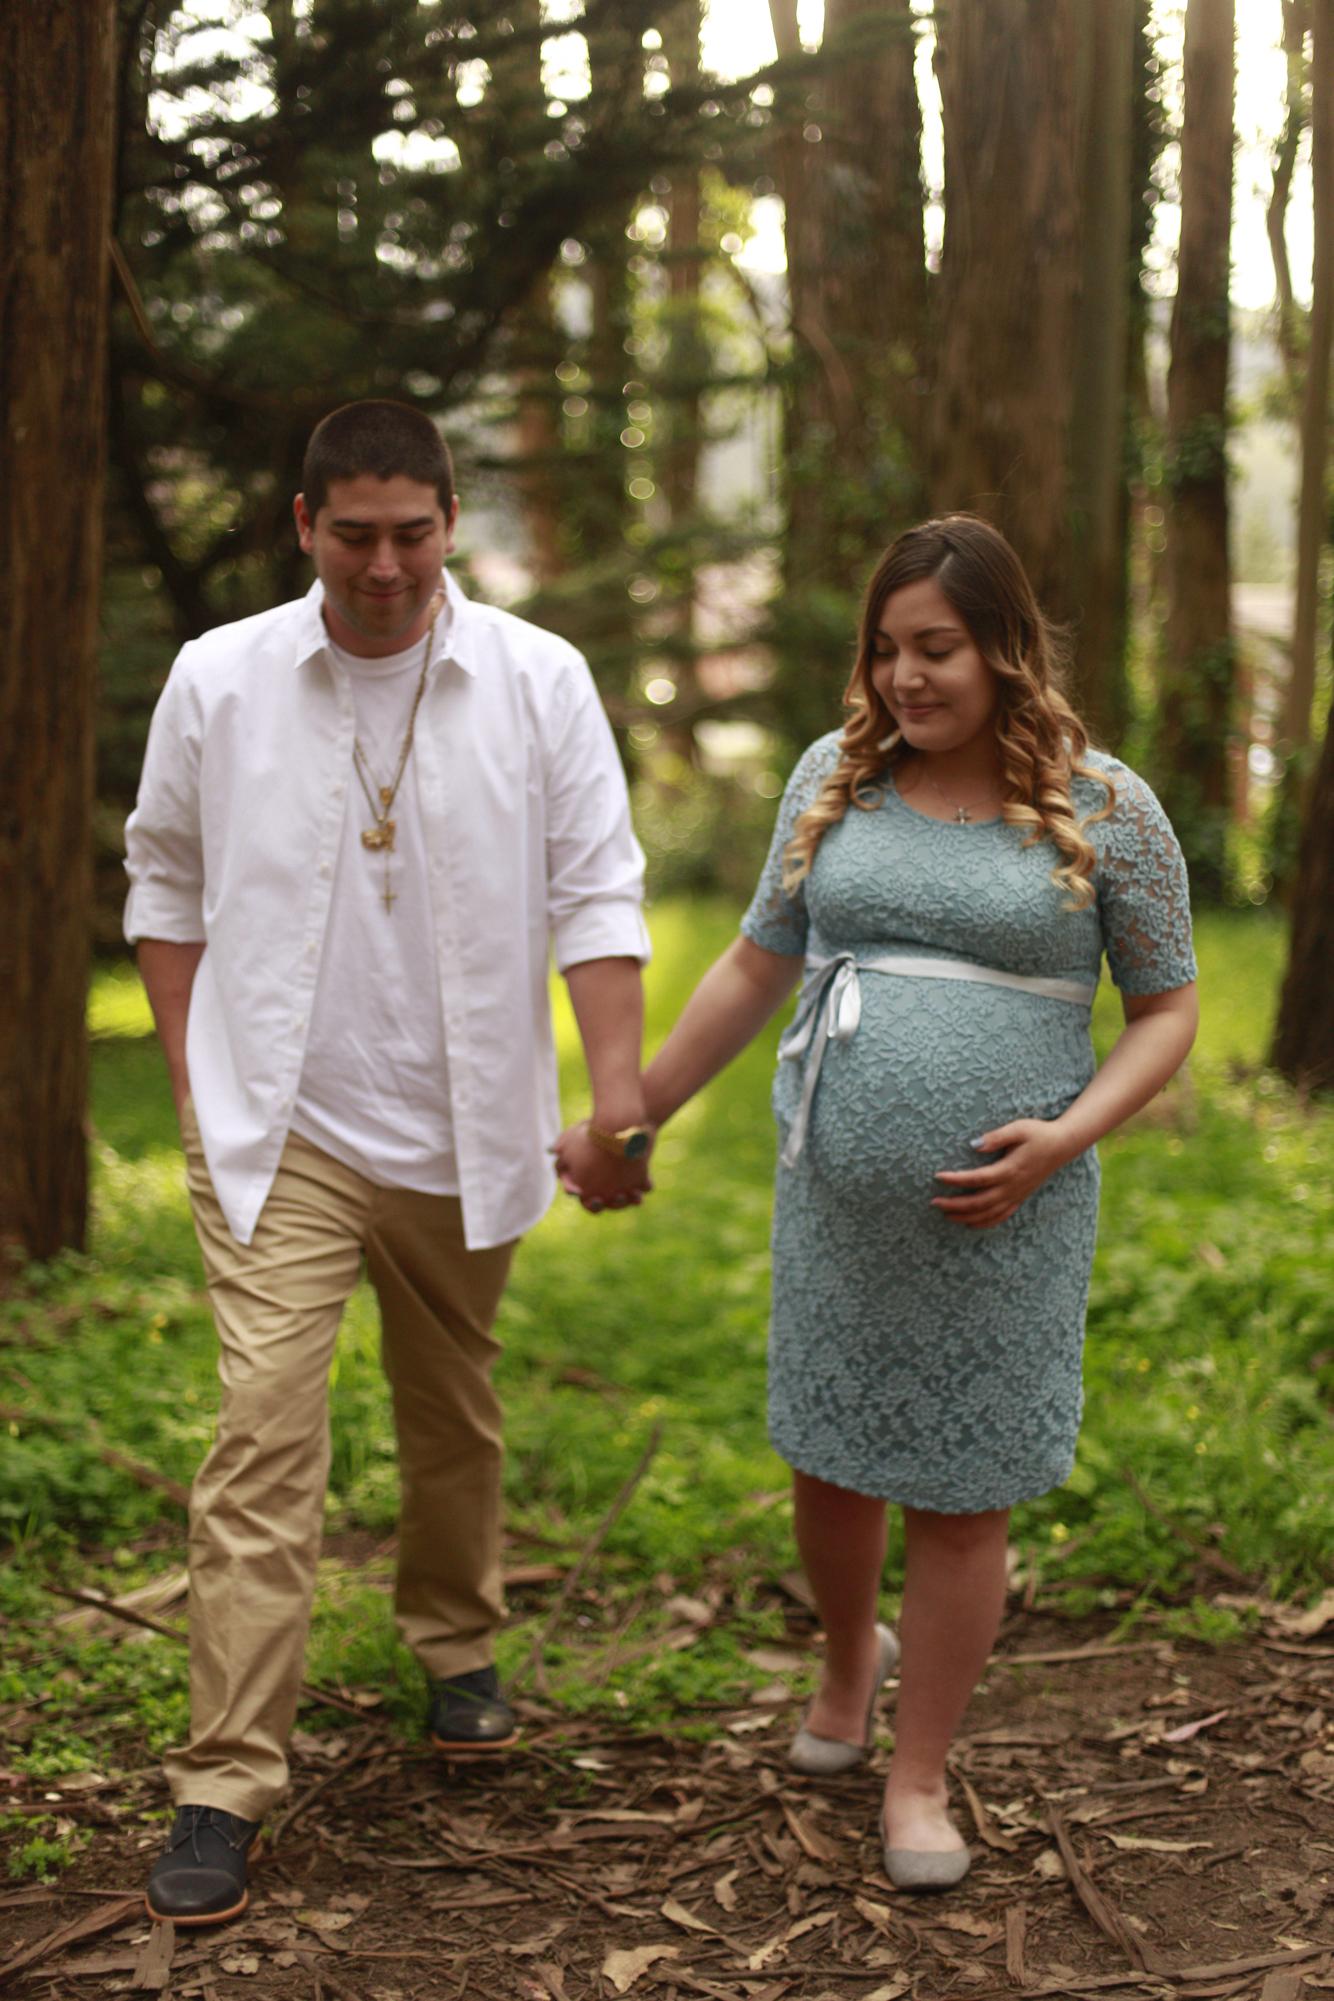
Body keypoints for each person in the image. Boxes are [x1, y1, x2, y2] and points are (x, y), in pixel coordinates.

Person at [560, 514, 1198, 1892]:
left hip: (1006, 1211)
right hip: (838, 1206)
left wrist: (1063, 1141)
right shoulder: (834, 777)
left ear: (1005, 649)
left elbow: (1167, 1010)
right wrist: (629, 1117)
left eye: (938, 648)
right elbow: (753, 965)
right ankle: (849, 1663)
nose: (906, 676)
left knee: (965, 1490)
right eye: (888, 649)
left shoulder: (1106, 807)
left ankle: (918, 1774)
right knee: (831, 1459)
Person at [125, 400, 654, 1926]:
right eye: (351, 534)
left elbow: (596, 891)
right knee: (261, 1433)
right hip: (276, 1126)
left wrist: (616, 1097)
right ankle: (227, 1775)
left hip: (462, 1124)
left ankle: (455, 1641)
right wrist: (194, 1076)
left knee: (449, 1402)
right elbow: (164, 879)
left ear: (449, 522)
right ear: (303, 524)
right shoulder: (219, 677)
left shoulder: (537, 679)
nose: (381, 566)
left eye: (409, 534)